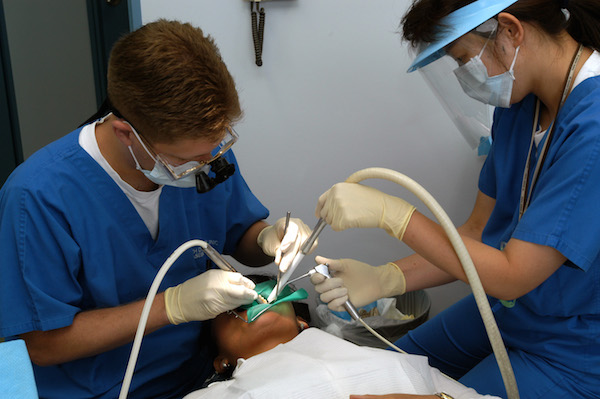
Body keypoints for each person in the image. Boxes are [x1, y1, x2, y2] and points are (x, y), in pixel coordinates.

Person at [0, 19, 313, 399]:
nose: (207, 165)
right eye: (189, 159)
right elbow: (43, 344)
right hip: (104, 390)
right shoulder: (38, 197)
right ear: (125, 133)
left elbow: (237, 233)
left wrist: (267, 238)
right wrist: (172, 306)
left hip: (199, 378)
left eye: (214, 150)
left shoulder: (202, 154)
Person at [311, 1, 600, 398]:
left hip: (576, 346)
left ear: (510, 30)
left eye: (463, 58)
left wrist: (393, 215)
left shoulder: (593, 128)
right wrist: (386, 278)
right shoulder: (521, 106)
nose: (464, 77)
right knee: (385, 370)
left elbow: (514, 275)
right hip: (509, 309)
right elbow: (476, 234)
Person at [184, 276, 499, 399]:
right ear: (220, 360)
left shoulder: (395, 363)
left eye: (266, 292)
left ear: (303, 322)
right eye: (235, 305)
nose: (254, 300)